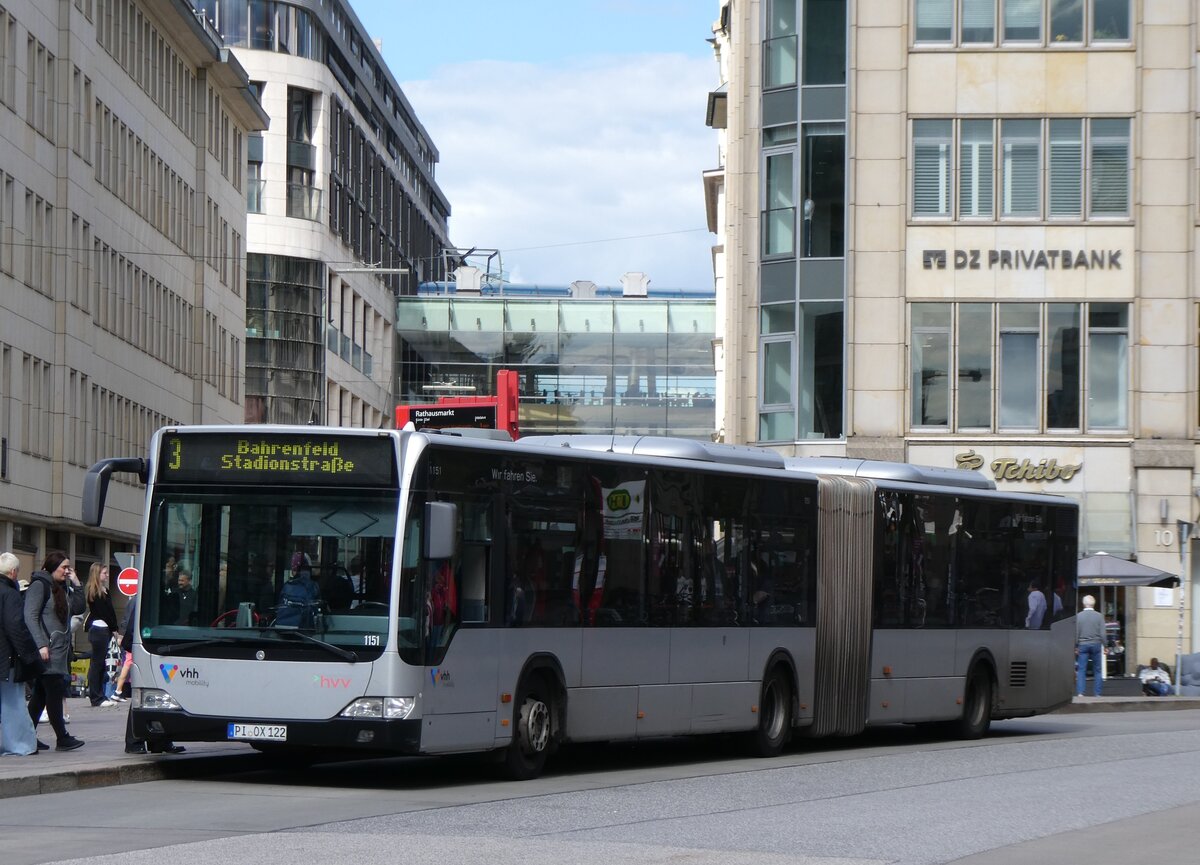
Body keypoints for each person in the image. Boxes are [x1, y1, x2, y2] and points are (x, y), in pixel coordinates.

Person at [23, 551, 85, 750]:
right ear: (52, 567)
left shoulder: (63, 588)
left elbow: (78, 608)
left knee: (41, 695)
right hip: (47, 650)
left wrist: (77, 583)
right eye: (64, 567)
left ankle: (27, 737)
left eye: (69, 567)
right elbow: (30, 616)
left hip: (59, 651)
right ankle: (62, 737)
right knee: (54, 692)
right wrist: (41, 644)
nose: (67, 571)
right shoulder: (39, 585)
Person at [120, 597, 185, 755]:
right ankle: (134, 741)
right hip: (147, 644)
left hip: (160, 643)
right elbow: (134, 624)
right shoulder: (147, 594)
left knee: (161, 693)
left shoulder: (166, 593)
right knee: (143, 692)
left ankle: (160, 741)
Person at [0, 552, 40, 756]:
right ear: (13, 572)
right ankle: (20, 745)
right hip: (6, 658)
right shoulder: (10, 594)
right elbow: (15, 626)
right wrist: (29, 654)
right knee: (13, 703)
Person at [84, 563, 119, 707]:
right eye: (104, 573)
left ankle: (101, 695)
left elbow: (111, 612)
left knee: (100, 664)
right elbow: (104, 613)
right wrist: (114, 628)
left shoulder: (105, 590)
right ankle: (96, 697)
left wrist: (114, 628)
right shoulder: (94, 592)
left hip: (105, 629)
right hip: (99, 629)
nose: (107, 575)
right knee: (97, 664)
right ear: (97, 574)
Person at [1075, 594, 1105, 697]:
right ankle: (1097, 693)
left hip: (1082, 644)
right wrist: (1105, 645)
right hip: (1096, 644)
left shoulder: (1078, 616)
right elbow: (1103, 634)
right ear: (1094, 604)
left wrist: (1075, 646)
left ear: (1084, 604)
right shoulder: (1099, 616)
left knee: (1081, 669)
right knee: (1097, 670)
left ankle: (1080, 692)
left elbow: (1076, 633)